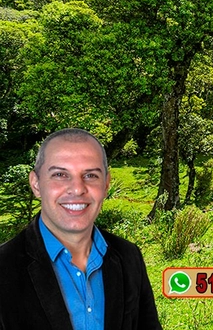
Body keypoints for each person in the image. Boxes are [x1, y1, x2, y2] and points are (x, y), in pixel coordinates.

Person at [0, 128, 162, 330]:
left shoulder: (129, 257)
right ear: (36, 184)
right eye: (60, 174)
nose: (77, 189)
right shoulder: (4, 267)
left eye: (91, 175)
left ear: (106, 184)